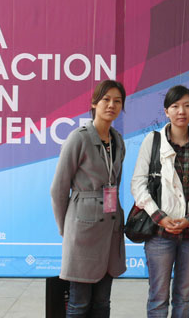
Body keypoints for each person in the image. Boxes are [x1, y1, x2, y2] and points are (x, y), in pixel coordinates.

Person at [131, 85, 189, 318]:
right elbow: (138, 185)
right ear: (166, 111)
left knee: (184, 297)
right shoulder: (153, 141)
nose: (181, 111)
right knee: (158, 297)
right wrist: (161, 218)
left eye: (187, 106)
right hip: (159, 234)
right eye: (175, 106)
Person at [50, 80, 127, 318]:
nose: (111, 105)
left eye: (117, 101)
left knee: (103, 302)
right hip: (82, 229)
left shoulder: (118, 140)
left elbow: (115, 182)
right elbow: (58, 189)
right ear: (94, 103)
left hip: (110, 227)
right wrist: (66, 228)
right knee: (79, 302)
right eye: (106, 100)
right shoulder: (78, 138)